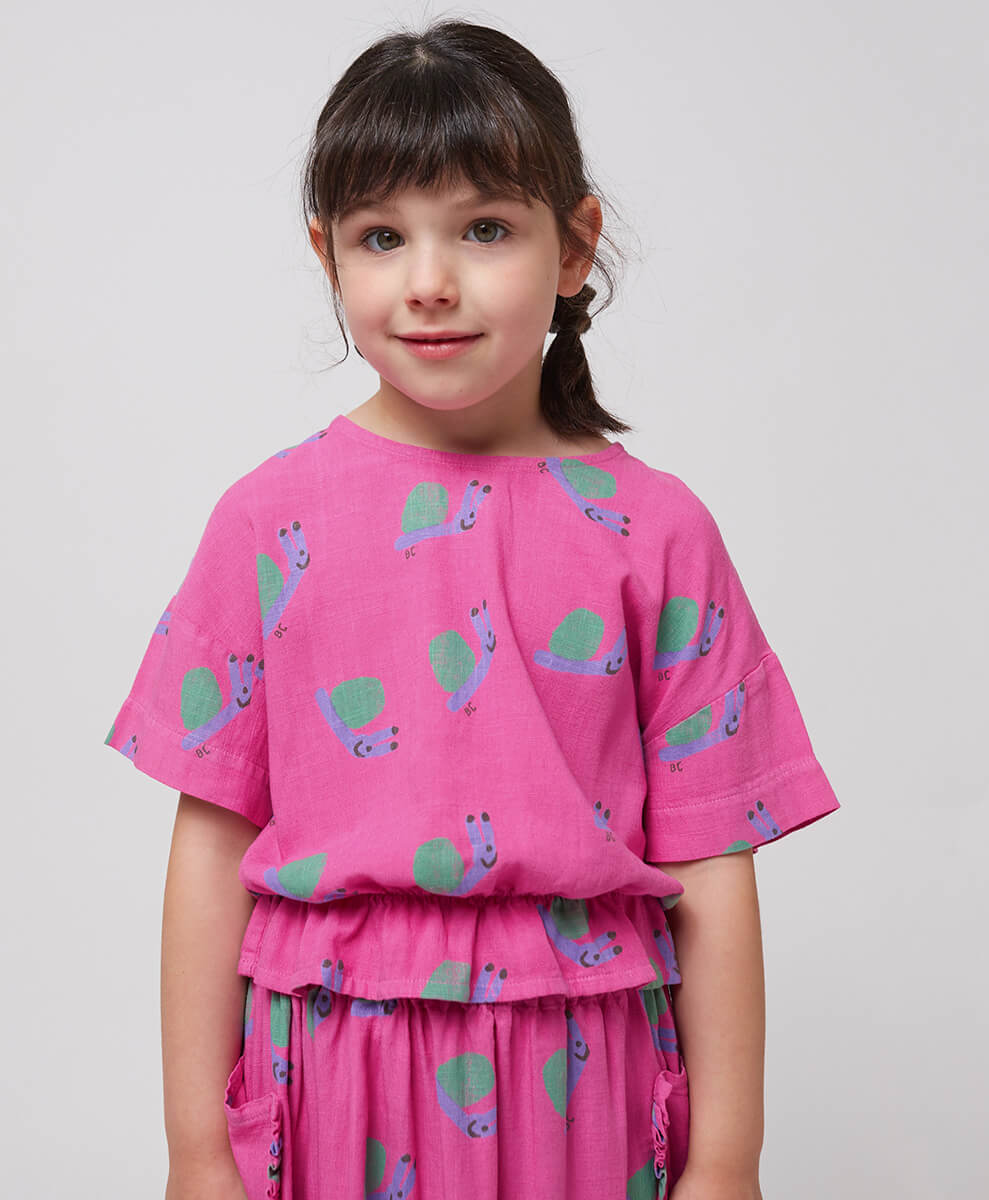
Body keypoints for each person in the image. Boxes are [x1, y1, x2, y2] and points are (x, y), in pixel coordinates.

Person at [102, 18, 840, 1200]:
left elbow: (711, 866)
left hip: (585, 1081)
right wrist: (196, 1155)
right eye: (382, 236)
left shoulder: (658, 531)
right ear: (326, 254)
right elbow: (211, 848)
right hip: (331, 1067)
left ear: (574, 243)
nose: (429, 282)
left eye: (484, 228)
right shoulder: (266, 523)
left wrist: (726, 1163)